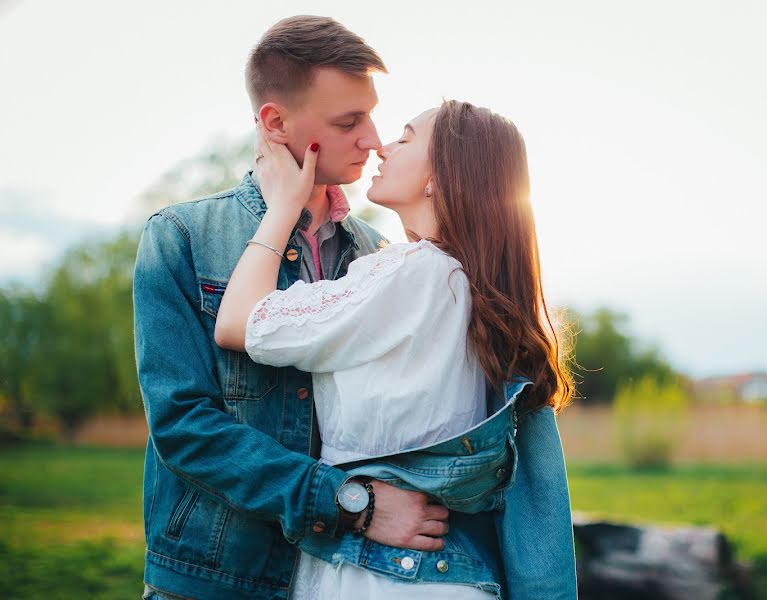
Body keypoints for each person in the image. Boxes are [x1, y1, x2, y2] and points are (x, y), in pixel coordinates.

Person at [133, 16, 457, 600]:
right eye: (347, 122)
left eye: (372, 114)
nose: (375, 140)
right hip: (212, 579)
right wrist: (346, 503)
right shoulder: (180, 235)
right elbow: (183, 427)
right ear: (275, 123)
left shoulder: (379, 255)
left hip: (344, 576)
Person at [214, 98, 577, 599]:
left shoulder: (412, 273)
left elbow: (238, 323)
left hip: (385, 577)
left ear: (441, 178)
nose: (382, 147)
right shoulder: (473, 287)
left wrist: (280, 207)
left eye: (405, 138)